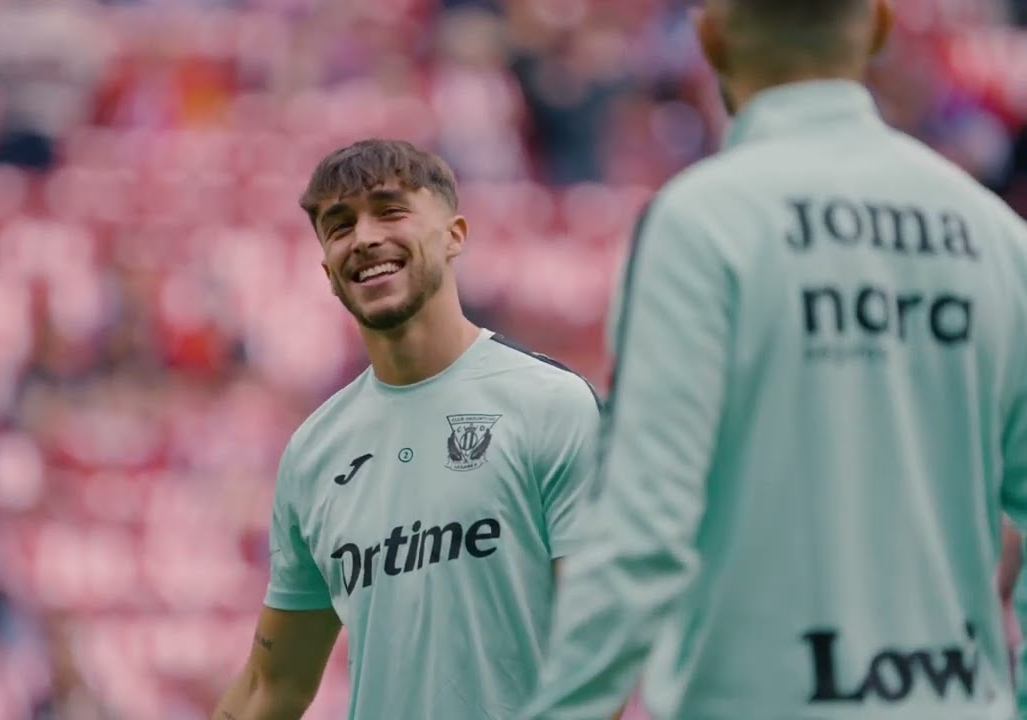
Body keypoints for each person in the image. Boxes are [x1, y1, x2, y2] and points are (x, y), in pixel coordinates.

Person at [520, 0, 1027, 718]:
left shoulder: (702, 224)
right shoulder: (994, 236)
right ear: (880, 26)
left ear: (711, 35)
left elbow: (642, 537)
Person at [211, 139, 607, 719]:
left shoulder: (552, 404)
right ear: (327, 271)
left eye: (390, 211)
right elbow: (273, 685)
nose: (365, 237)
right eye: (339, 225)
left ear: (454, 235)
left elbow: (599, 649)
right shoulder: (315, 453)